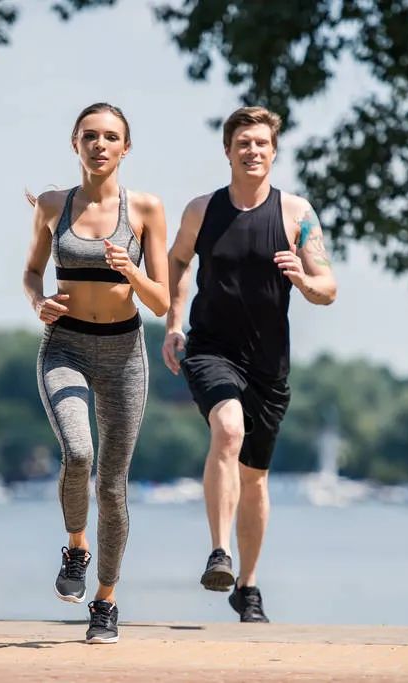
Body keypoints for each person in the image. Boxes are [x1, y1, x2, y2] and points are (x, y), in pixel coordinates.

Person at [161, 106, 337, 623]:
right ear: (228, 151)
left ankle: (248, 586)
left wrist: (303, 282)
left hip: (268, 363)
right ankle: (220, 553)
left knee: (256, 478)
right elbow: (176, 261)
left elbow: (328, 286)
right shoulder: (202, 211)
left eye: (261, 143)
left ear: (274, 151)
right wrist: (174, 323)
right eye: (243, 143)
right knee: (228, 429)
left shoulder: (296, 215)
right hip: (211, 348)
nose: (253, 151)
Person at [24, 102, 169, 643]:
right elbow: (31, 271)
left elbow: (160, 301)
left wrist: (131, 268)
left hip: (124, 355)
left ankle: (105, 603)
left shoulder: (147, 209)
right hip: (65, 348)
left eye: (111, 137)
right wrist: (37, 300)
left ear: (125, 148)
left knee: (112, 486)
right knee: (78, 453)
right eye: (91, 136)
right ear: (75, 143)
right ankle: (76, 545)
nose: (100, 145)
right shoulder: (53, 205)